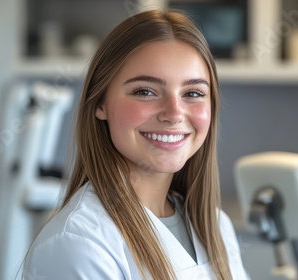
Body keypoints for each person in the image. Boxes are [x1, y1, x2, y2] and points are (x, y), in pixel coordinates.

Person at [23, 9, 250, 280]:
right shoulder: (79, 243)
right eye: (145, 91)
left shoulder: (215, 226)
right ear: (100, 103)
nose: (175, 113)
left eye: (193, 93)